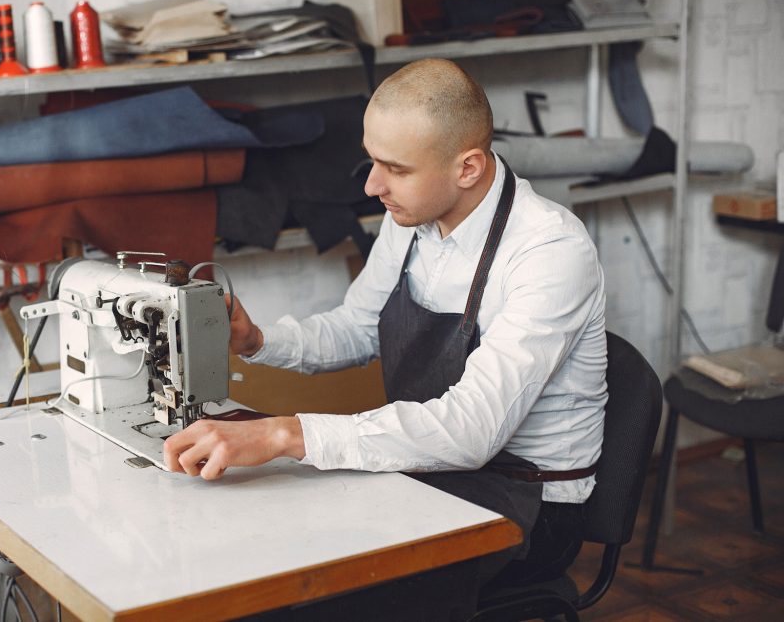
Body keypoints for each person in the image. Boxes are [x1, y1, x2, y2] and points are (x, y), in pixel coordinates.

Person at [164, 58, 607, 591]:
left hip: (525, 503)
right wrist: (258, 342)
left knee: (318, 580)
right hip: (430, 472)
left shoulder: (549, 250)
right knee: (264, 543)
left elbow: (472, 432)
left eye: (395, 169)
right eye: (372, 162)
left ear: (467, 168)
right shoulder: (416, 217)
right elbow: (358, 326)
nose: (373, 185)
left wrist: (286, 432)